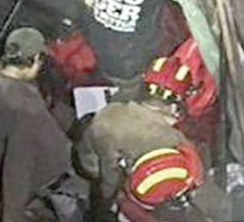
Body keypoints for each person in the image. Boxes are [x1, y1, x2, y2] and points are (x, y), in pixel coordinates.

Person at [0, 27, 88, 222]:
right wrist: (12, 216)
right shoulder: (25, 108)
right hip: (47, 179)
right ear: (34, 60)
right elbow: (18, 168)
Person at [77, 83, 205, 222]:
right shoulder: (124, 110)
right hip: (174, 161)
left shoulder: (102, 132)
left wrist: (107, 199)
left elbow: (110, 172)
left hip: (151, 178)